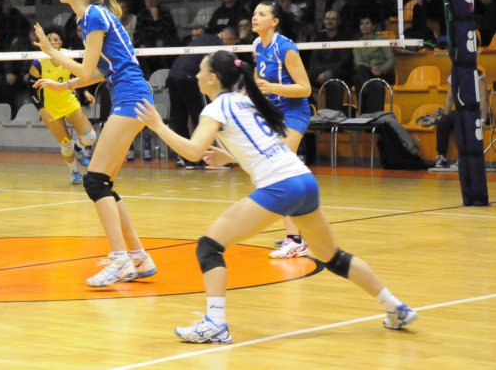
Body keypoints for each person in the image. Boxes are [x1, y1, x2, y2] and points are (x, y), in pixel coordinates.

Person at [135, 51, 418, 344]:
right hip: (303, 180)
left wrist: (158, 126)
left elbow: (193, 152)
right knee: (333, 257)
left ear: (212, 78)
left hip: (280, 186)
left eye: (200, 71)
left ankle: (215, 323)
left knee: (209, 247)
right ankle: (395, 307)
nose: (196, 76)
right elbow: (265, 147)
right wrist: (230, 157)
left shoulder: (216, 108)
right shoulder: (246, 101)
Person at [32, 0, 157, 286]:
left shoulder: (93, 15)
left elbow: (88, 70)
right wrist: (66, 86)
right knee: (104, 183)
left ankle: (119, 260)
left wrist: (51, 53)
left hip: (131, 97)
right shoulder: (89, 17)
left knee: (95, 181)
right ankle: (138, 257)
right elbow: (100, 71)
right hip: (130, 95)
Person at [252, 1, 313, 259]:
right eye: (255, 13)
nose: (255, 17)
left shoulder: (286, 48)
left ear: (275, 21)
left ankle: (295, 239)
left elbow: (305, 89)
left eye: (262, 14)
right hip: (274, 114)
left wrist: (272, 88)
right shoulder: (257, 45)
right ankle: (296, 232)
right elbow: (260, 81)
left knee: (282, 172)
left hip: (294, 113)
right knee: (277, 172)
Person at [27, 26, 98, 185]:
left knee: (90, 137)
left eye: (56, 40)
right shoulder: (38, 62)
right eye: (49, 40)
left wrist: (85, 91)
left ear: (61, 43)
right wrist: (41, 109)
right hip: (51, 109)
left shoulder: (68, 55)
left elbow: (77, 75)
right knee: (66, 145)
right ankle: (74, 172)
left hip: (69, 102)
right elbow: (30, 89)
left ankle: (78, 148)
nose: (53, 42)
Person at [167, 27, 221, 168]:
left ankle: (185, 158)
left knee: (179, 117)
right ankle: (202, 156)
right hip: (188, 77)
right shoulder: (219, 45)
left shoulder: (204, 39)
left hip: (173, 75)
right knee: (201, 115)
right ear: (231, 39)